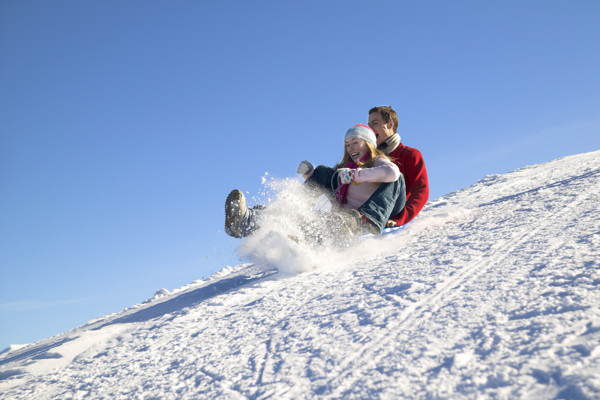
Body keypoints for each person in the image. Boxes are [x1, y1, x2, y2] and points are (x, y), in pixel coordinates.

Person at [225, 124, 406, 242]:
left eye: (355, 142)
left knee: (398, 179)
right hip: (336, 224)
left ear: (368, 144)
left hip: (359, 226)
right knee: (323, 172)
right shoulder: (345, 170)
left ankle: (360, 220)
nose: (350, 148)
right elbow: (333, 179)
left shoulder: (376, 163)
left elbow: (392, 173)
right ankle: (246, 221)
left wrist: (356, 175)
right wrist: (312, 175)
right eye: (347, 144)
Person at [367, 106, 429, 227]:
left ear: (390, 125)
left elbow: (421, 191)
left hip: (392, 211)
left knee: (394, 175)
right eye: (368, 125)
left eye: (374, 123)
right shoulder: (369, 159)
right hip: (367, 209)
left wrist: (399, 219)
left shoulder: (410, 155)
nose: (369, 129)